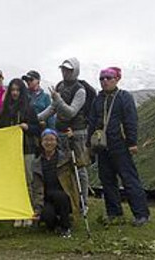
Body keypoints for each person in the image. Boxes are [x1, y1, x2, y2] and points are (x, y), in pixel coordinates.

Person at [88, 67, 150, 226]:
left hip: (120, 145)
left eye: (108, 78)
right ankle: (114, 213)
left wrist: (132, 142)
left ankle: (141, 214)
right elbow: (92, 122)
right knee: (107, 180)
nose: (105, 81)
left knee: (129, 180)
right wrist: (90, 144)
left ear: (117, 79)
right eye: (101, 78)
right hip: (102, 147)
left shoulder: (124, 97)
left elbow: (131, 121)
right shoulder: (98, 99)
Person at [38, 58, 91, 207]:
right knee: (63, 167)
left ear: (75, 71)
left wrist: (58, 99)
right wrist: (35, 118)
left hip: (77, 133)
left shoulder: (80, 90)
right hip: (60, 132)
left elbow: (71, 112)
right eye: (63, 69)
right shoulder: (60, 86)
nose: (65, 72)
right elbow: (53, 109)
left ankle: (83, 202)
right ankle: (69, 199)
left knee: (79, 167)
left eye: (68, 70)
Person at [0, 78, 40, 227]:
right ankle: (16, 212)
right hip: (10, 151)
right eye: (13, 90)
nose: (15, 93)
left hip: (27, 149)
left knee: (28, 180)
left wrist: (27, 127)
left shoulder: (29, 109)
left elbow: (37, 129)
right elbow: (0, 129)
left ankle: (28, 211)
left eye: (18, 90)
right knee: (14, 181)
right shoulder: (5, 110)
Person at [32, 129, 79, 238]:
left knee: (60, 196)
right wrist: (37, 208)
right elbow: (37, 187)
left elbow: (80, 159)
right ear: (41, 142)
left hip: (64, 194)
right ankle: (56, 223)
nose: (49, 143)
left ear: (57, 142)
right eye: (46, 140)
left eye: (52, 140)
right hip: (47, 197)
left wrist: (73, 141)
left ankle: (65, 227)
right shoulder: (37, 163)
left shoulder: (65, 159)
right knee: (47, 216)